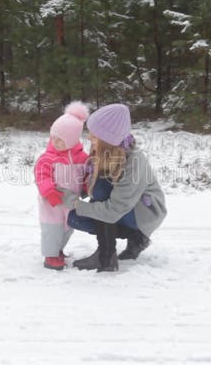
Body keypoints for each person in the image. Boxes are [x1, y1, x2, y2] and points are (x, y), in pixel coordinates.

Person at [62, 103, 167, 272]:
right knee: (75, 218)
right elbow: (89, 186)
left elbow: (112, 210)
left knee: (100, 190)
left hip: (144, 213)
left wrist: (77, 204)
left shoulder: (134, 161)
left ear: (107, 140)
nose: (89, 138)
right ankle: (135, 239)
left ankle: (106, 256)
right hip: (124, 209)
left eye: (94, 135)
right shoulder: (104, 152)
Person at [33, 101, 90, 270]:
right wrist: (48, 191)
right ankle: (50, 256)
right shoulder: (47, 158)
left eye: (61, 139)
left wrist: (86, 187)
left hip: (71, 201)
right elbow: (41, 176)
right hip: (51, 201)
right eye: (54, 138)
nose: (56, 142)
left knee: (68, 226)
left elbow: (85, 175)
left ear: (73, 140)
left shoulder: (82, 158)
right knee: (52, 228)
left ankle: (58, 250)